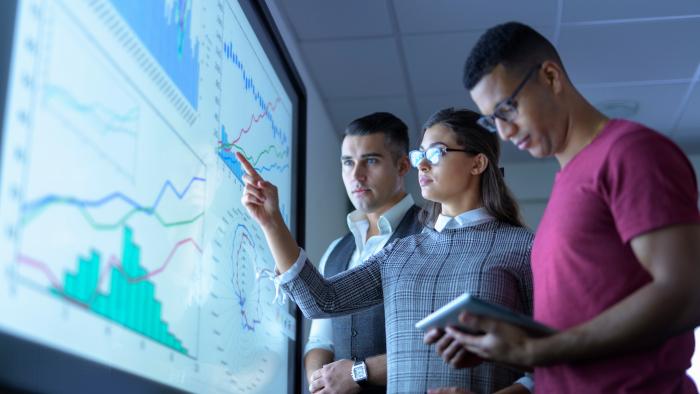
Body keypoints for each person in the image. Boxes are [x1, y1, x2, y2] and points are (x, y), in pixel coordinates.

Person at [428, 21, 700, 393]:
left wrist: (537, 350)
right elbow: (581, 335)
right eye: (492, 120)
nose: (503, 132)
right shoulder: (567, 184)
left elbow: (685, 294)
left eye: (508, 108)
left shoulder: (631, 154)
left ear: (551, 77)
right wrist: (505, 345)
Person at [237, 108, 535, 393]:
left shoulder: (524, 248)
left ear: (477, 163)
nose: (422, 164)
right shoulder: (401, 252)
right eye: (420, 154)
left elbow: (551, 360)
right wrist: (272, 221)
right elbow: (321, 301)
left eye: (436, 152)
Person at [304, 112, 423, 394]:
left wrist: (358, 373)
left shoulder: (432, 235)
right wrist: (318, 383)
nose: (356, 175)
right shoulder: (335, 251)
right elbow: (321, 342)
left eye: (371, 160)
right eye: (348, 162)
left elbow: (436, 349)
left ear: (403, 165)